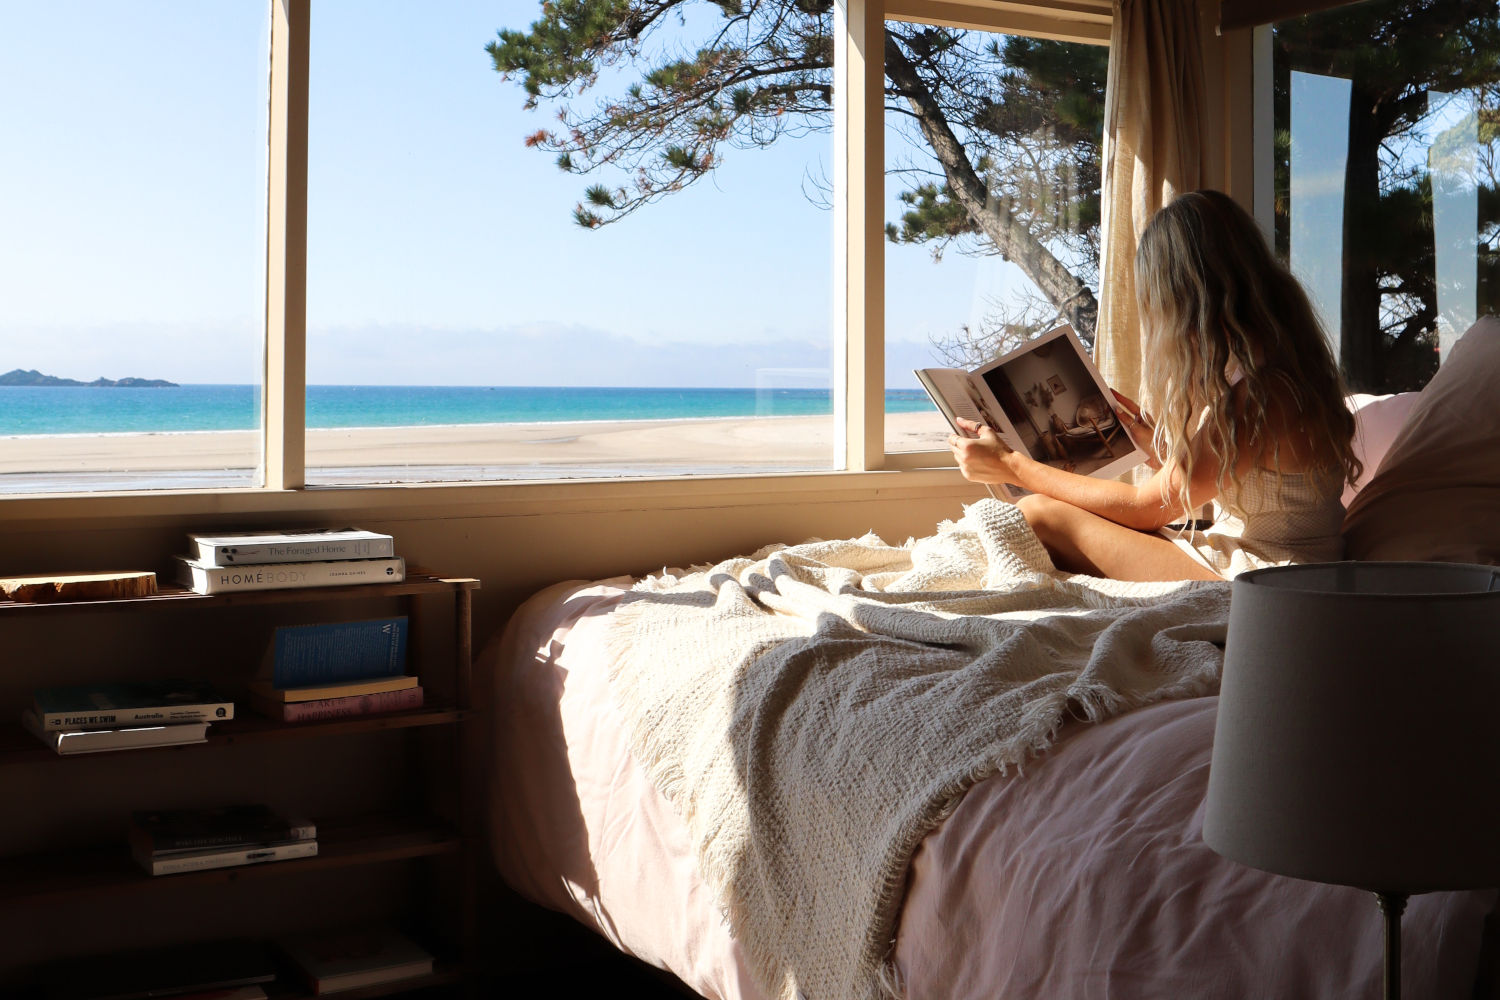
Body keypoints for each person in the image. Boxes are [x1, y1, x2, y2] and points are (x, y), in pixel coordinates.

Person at [949, 189, 1362, 582]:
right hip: (1277, 566)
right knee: (1043, 514)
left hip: (1271, 579)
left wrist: (1012, 465)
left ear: (1185, 300)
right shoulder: (1279, 373)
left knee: (1039, 514)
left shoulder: (1258, 395)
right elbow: (1243, 474)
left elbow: (1145, 509)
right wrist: (1157, 448)